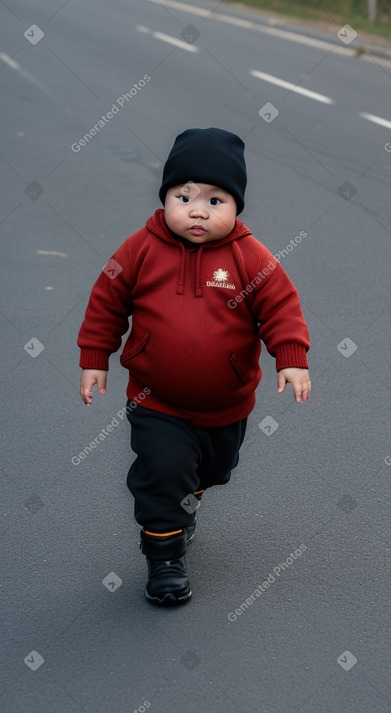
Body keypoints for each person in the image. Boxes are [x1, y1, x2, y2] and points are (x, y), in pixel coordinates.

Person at [77, 127, 311, 606]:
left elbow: (281, 307)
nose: (198, 210)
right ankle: (165, 559)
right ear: (165, 198)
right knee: (162, 472)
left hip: (227, 404)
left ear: (236, 206)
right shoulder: (139, 249)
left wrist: (292, 358)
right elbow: (106, 302)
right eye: (184, 196)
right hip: (155, 400)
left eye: (216, 200)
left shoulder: (250, 257)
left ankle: (192, 495)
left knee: (214, 469)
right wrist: (94, 359)